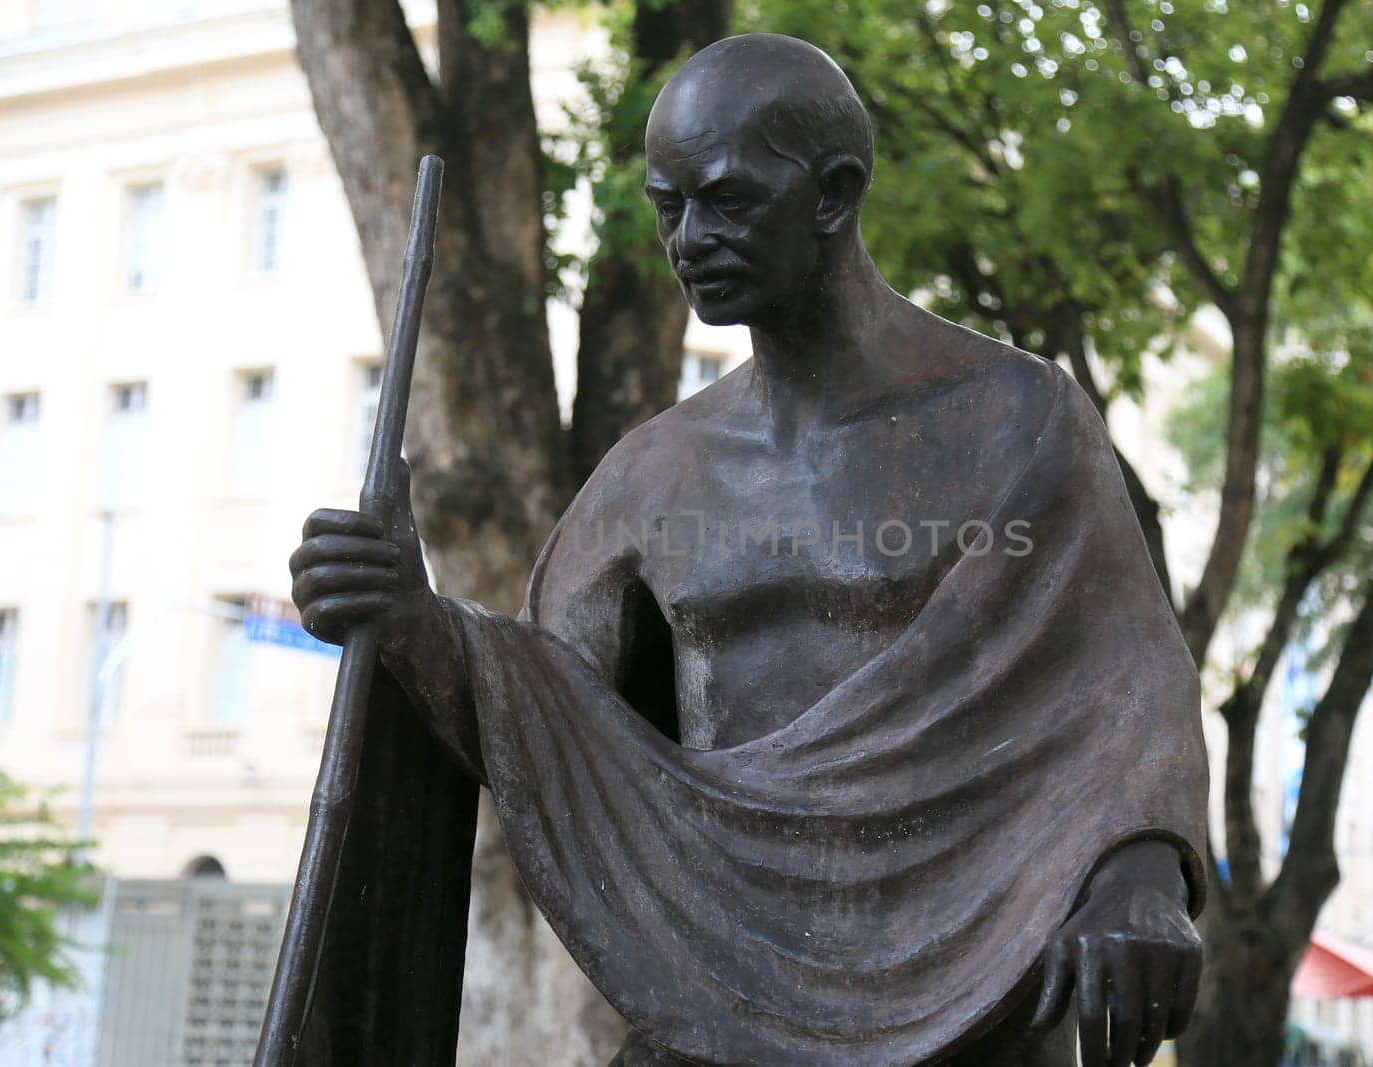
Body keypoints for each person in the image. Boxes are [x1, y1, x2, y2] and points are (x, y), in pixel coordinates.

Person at [288, 33, 1206, 1067]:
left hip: (971, 986)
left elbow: (1129, 688)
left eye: (726, 199)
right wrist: (412, 620)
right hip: (713, 989)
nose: (688, 238)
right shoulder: (652, 474)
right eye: (667, 204)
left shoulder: (1016, 421)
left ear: (832, 193)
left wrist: (1140, 880)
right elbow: (546, 719)